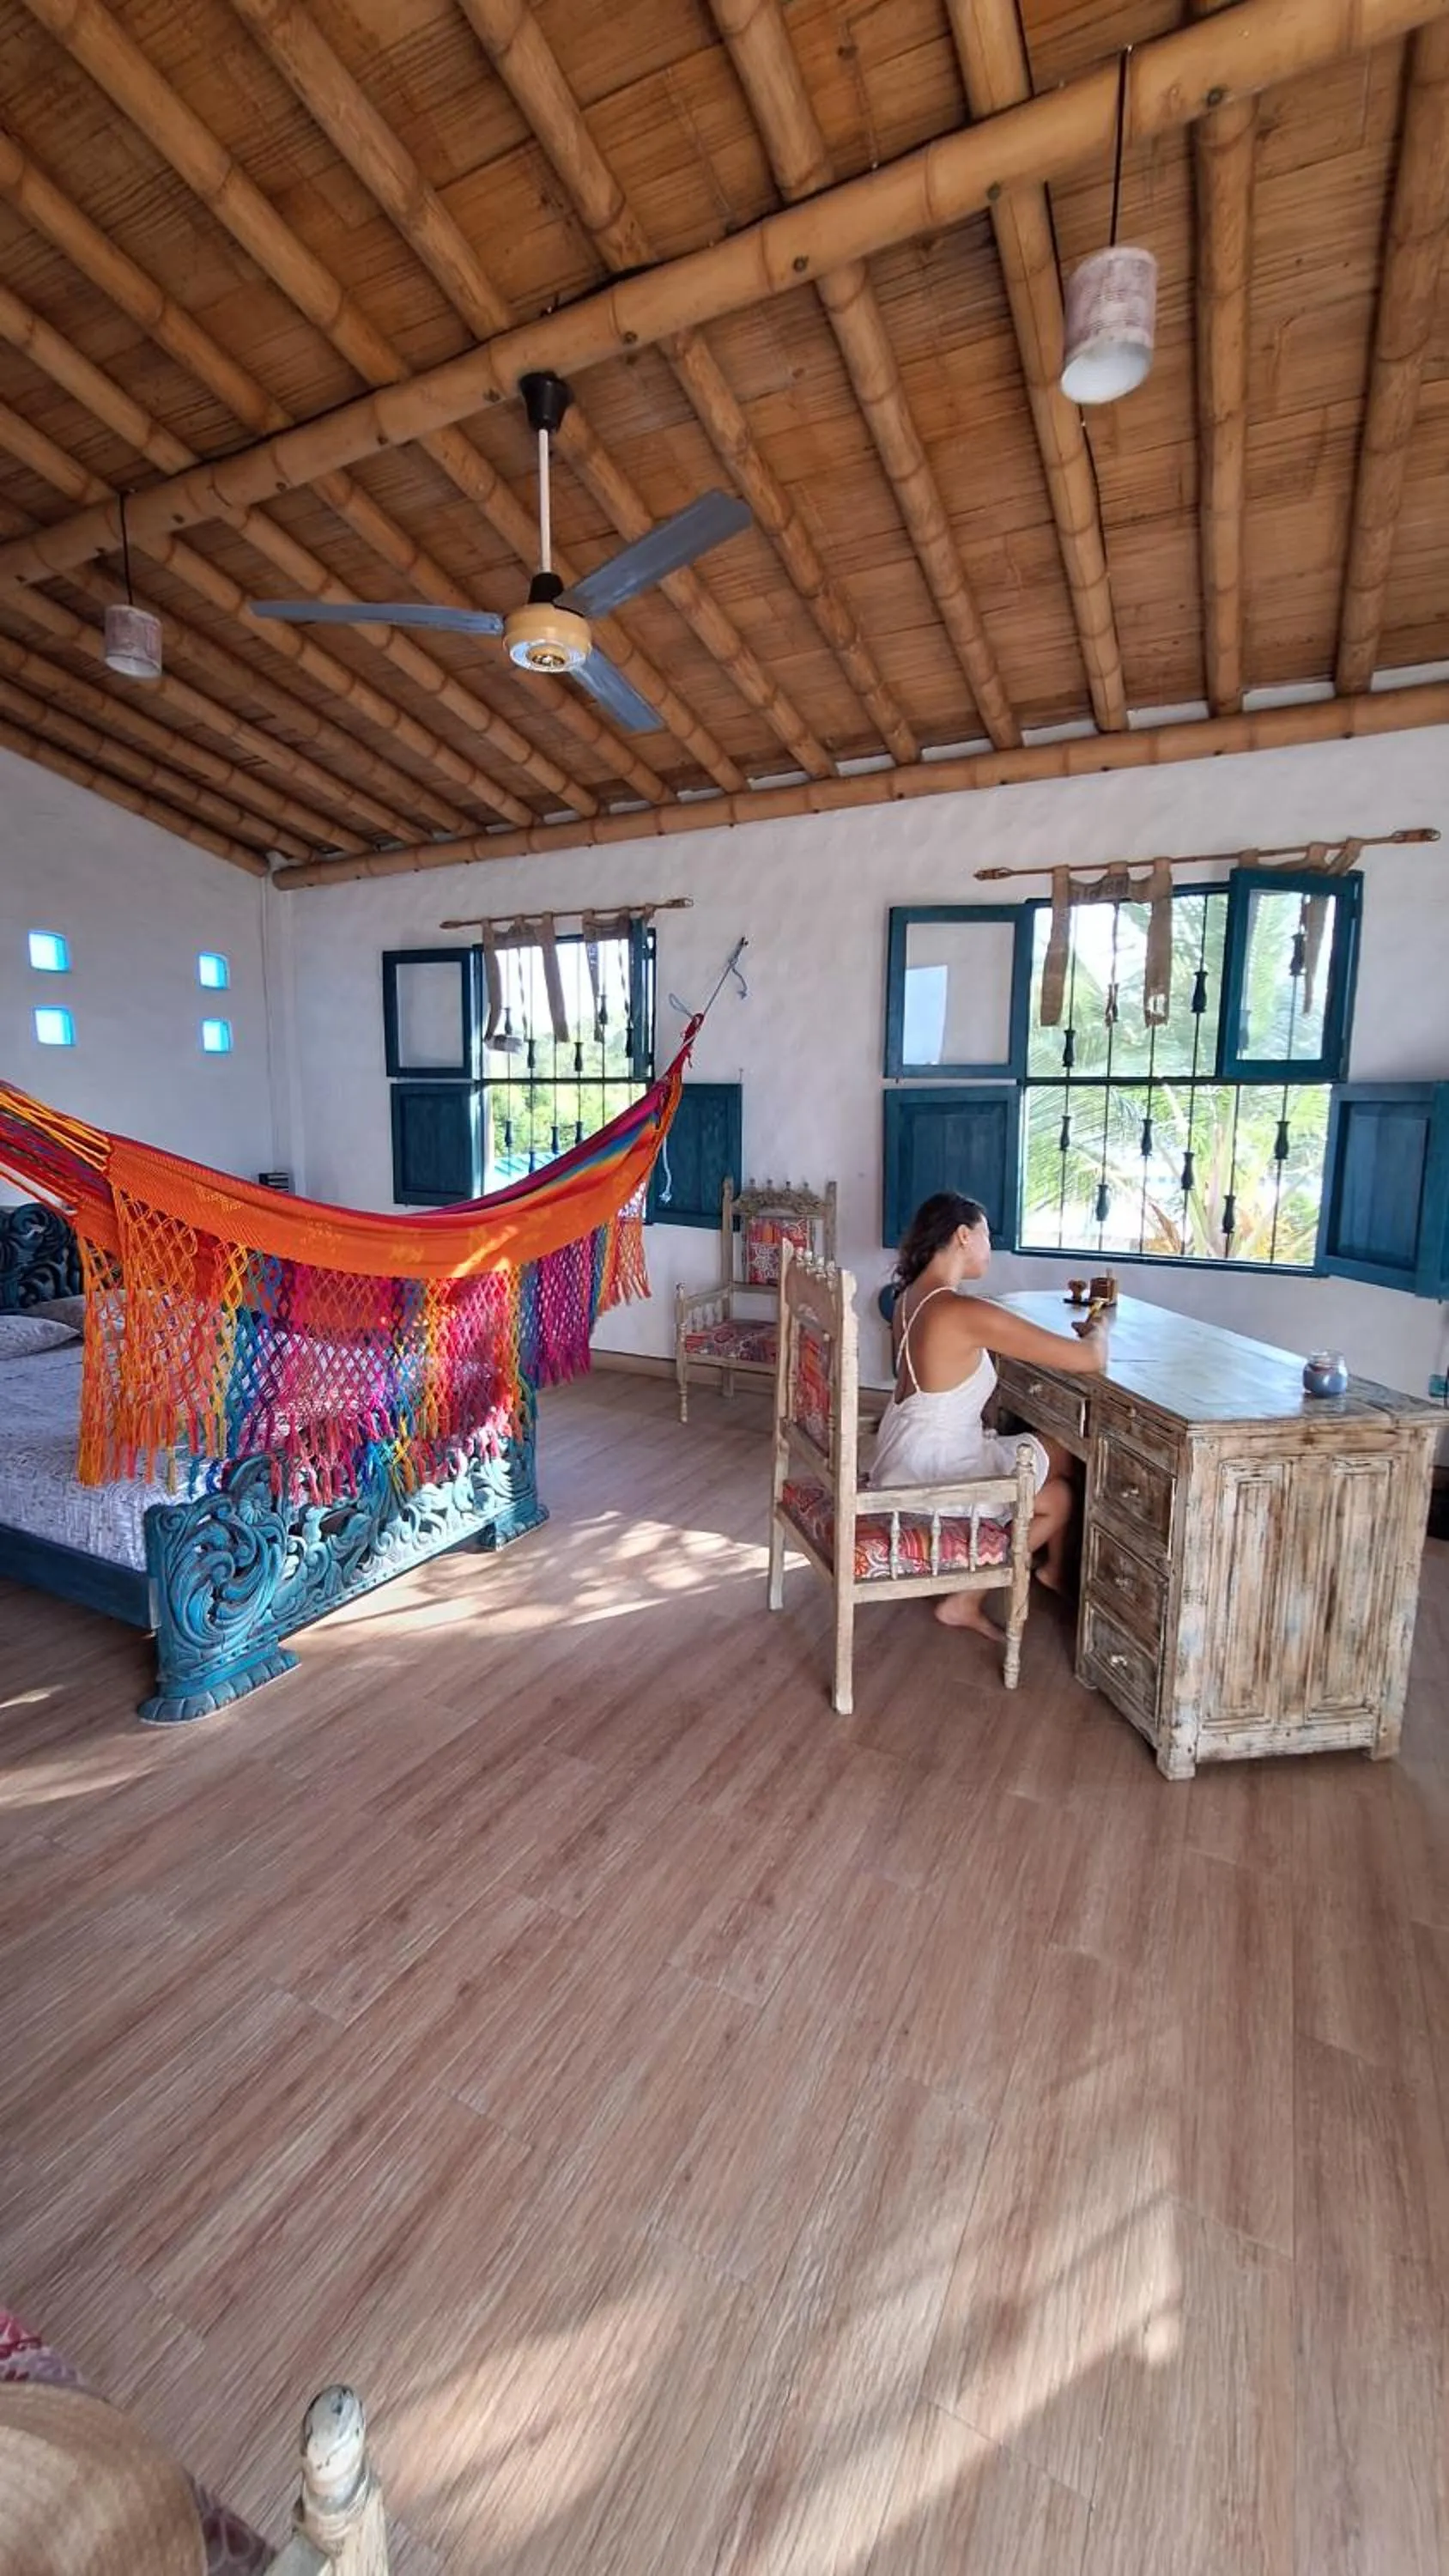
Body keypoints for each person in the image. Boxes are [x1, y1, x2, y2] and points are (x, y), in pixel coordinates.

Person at [872, 1190, 1107, 1637]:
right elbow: (1087, 1360)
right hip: (936, 1471)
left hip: (904, 1455)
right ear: (963, 1235)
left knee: (1057, 1475)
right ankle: (984, 1590)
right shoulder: (960, 1310)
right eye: (985, 1236)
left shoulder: (910, 1297)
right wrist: (1098, 1329)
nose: (989, 1248)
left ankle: (1045, 1574)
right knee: (1064, 1479)